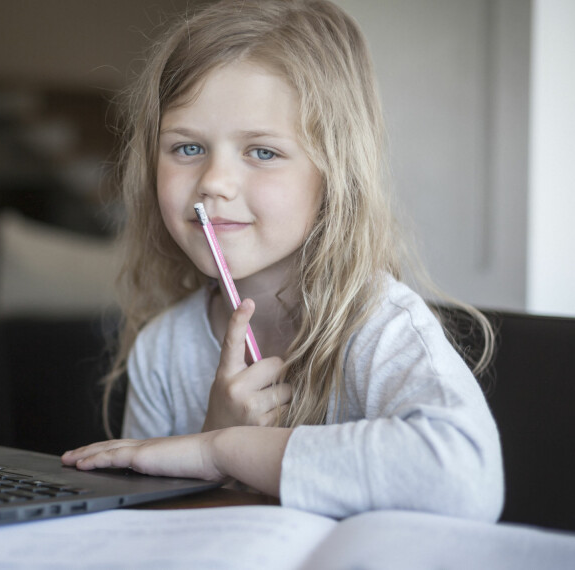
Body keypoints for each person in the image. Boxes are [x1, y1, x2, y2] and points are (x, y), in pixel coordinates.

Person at [61, 0, 504, 522]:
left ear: (335, 174)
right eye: (186, 149)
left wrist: (221, 450)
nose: (214, 182)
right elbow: (141, 536)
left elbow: (465, 479)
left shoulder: (380, 327)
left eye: (262, 152)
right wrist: (211, 428)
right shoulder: (165, 351)